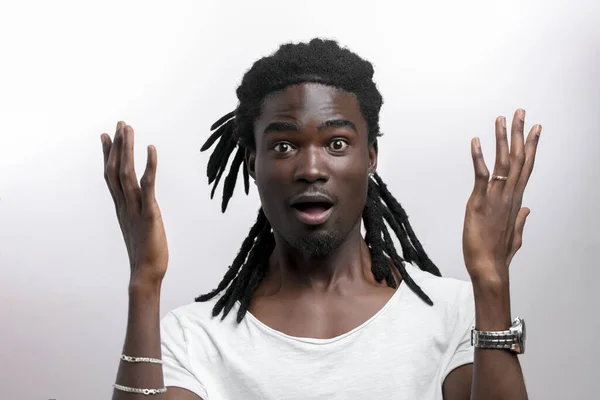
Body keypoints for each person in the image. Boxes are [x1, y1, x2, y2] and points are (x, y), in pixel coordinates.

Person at [101, 39, 541, 400]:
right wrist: (144, 283)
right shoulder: (194, 337)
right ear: (253, 162)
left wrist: (491, 285)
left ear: (370, 156)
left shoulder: (455, 314)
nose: (311, 168)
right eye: (284, 146)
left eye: (336, 143)